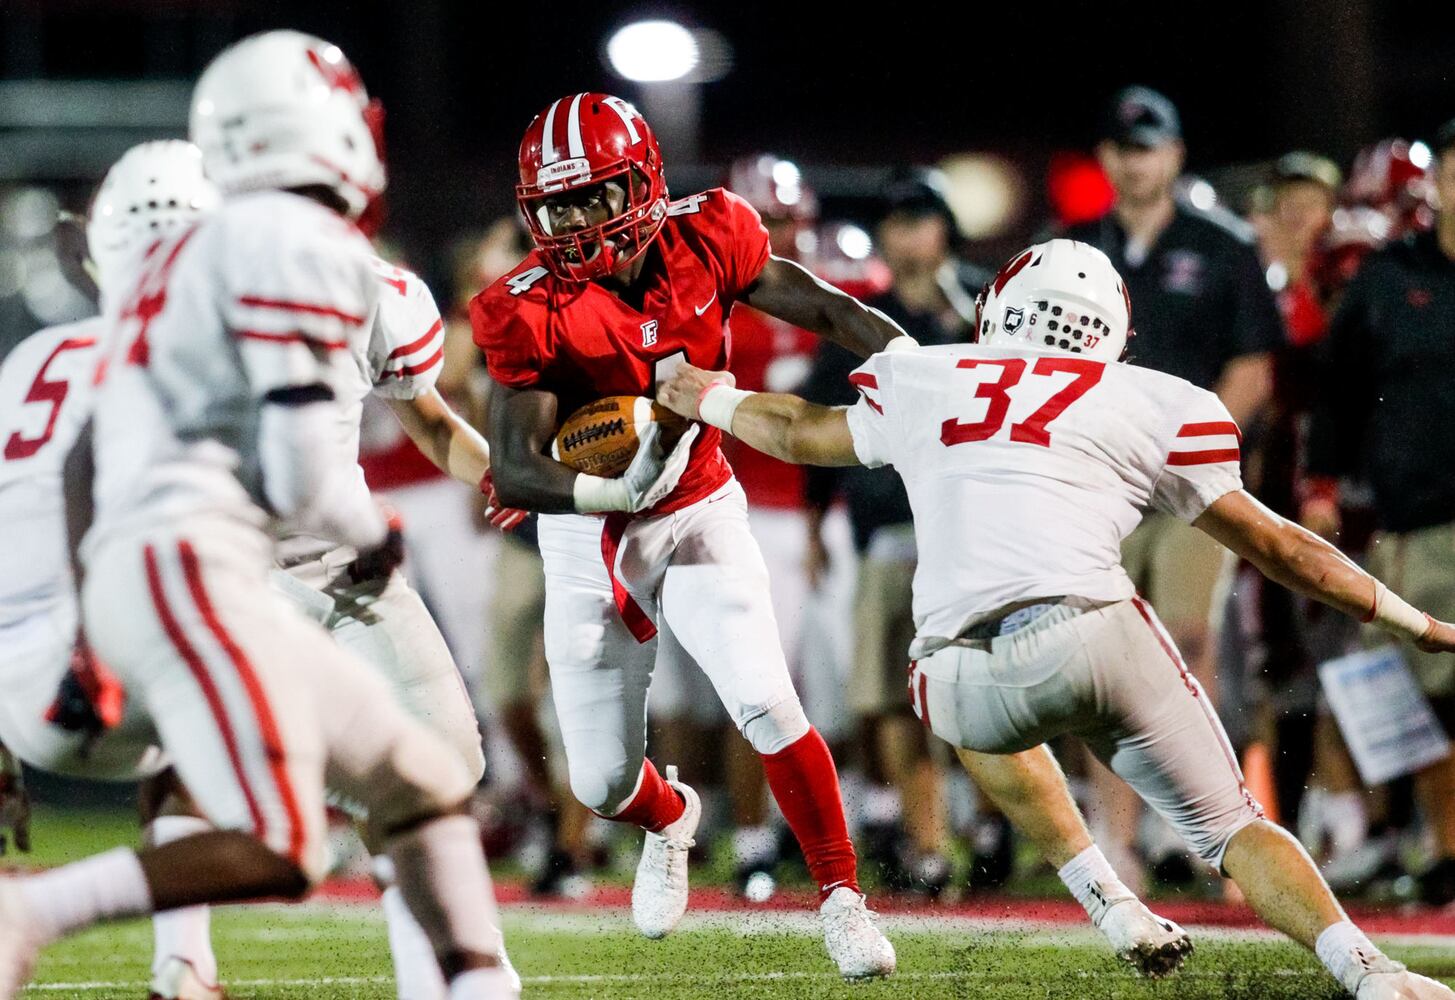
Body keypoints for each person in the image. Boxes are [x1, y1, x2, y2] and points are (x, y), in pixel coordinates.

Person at [656, 238, 1455, 1000]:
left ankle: (1108, 901)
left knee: (966, 696)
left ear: (998, 308)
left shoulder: (928, 376)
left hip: (955, 677)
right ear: (1111, 331)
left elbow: (798, 430)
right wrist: (1410, 619)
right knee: (1230, 827)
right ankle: (1363, 969)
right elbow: (1282, 547)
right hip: (1089, 635)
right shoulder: (1152, 398)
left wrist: (707, 394)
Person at [0, 31, 516, 1000]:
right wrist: (375, 535)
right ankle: (37, 913)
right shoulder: (286, 245)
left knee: (426, 773)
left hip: (188, 565)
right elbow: (290, 468)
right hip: (216, 566)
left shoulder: (183, 271)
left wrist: (85, 604)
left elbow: (79, 455)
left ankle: (475, 984)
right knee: (285, 836)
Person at [472, 92, 903, 979]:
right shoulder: (527, 305)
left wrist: (924, 369)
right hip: (587, 533)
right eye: (557, 205)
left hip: (699, 503)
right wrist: (614, 484)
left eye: (593, 196)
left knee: (764, 698)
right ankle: (671, 816)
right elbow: (514, 469)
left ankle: (842, 900)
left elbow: (824, 310)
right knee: (598, 783)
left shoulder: (709, 232)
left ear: (642, 183)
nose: (574, 222)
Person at [1063, 85, 1283, 886]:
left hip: (1187, 485)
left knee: (1188, 644)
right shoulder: (1074, 247)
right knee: (1104, 653)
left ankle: (1194, 829)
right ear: (1106, 159)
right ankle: (1115, 840)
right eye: (1123, 148)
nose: (1134, 161)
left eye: (1148, 146)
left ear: (1175, 155)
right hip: (1099, 482)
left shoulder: (1221, 247)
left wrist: (1175, 447)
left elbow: (1253, 369)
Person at [800, 169, 991, 895]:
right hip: (887, 530)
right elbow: (819, 424)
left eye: (920, 218)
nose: (907, 233)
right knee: (891, 698)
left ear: (946, 226)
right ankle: (928, 845)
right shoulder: (857, 318)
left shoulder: (988, 306)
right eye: (897, 221)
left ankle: (993, 825)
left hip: (975, 531)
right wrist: (818, 522)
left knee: (986, 692)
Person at [1303, 117, 1455, 907]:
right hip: (1417, 515)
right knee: (1418, 693)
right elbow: (1337, 385)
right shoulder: (1389, 277)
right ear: (1439, 182)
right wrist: (1321, 478)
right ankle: (1439, 847)